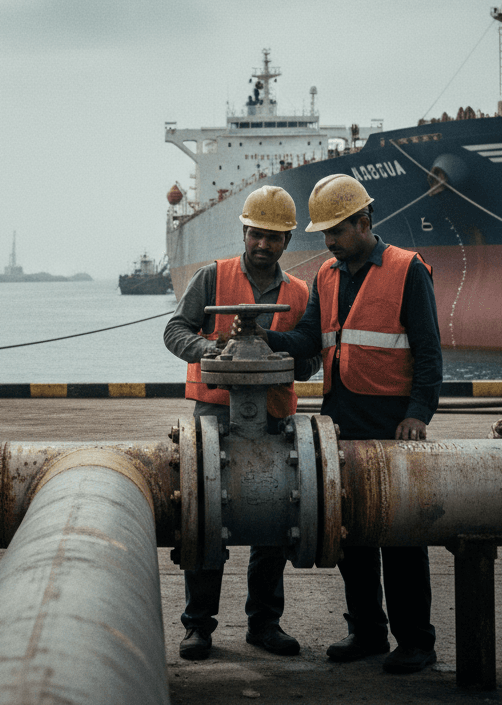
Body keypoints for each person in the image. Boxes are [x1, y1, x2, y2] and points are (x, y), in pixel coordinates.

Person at [248, 173, 443, 675]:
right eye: (325, 233)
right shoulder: (328, 276)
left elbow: (428, 350)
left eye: (337, 230)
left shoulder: (407, 270)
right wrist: (266, 337)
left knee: (400, 537)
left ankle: (417, 641)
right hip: (341, 421)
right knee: (353, 534)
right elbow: (311, 340)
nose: (329, 241)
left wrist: (418, 414)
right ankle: (368, 632)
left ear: (365, 221)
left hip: (392, 421)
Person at [163, 185, 317, 661]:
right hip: (214, 413)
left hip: (274, 416)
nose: (263, 245)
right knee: (205, 517)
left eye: (273, 238)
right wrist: (210, 349)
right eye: (256, 235)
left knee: (275, 518)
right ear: (244, 232)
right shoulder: (213, 278)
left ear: (287, 241)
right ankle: (198, 627)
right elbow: (175, 329)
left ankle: (265, 624)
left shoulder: (298, 293)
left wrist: (279, 353)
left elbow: (309, 357)